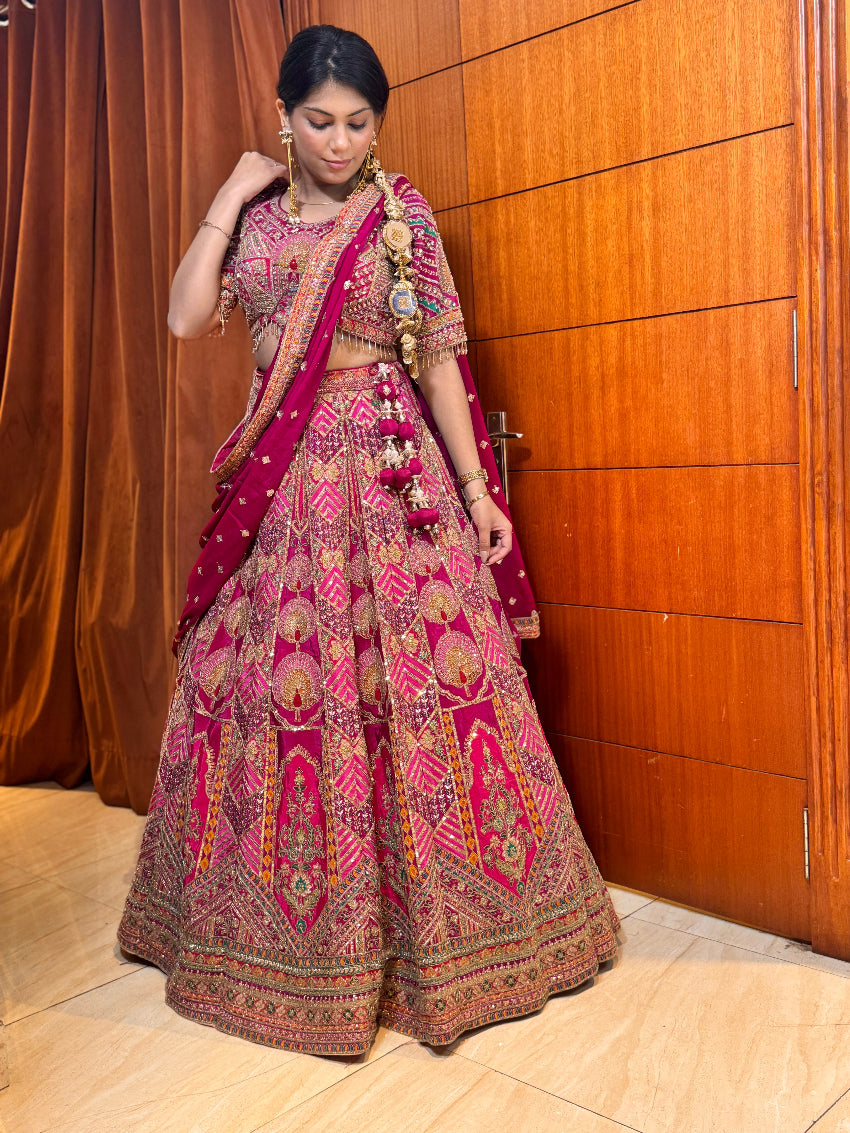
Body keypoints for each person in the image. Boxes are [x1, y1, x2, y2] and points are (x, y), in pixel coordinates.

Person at [118, 24, 619, 1055]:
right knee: (274, 691)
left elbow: (438, 355)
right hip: (285, 484)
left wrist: (479, 488)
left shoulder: (401, 218)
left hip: (394, 472)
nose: (340, 143)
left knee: (424, 686)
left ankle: (462, 936)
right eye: (318, 122)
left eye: (358, 124)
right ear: (283, 115)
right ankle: (272, 938)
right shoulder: (254, 223)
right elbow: (182, 320)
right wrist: (226, 197)